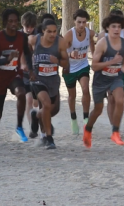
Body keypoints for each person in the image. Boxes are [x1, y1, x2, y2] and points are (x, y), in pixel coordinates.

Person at [84, 14, 124, 148]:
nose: (116, 29)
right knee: (98, 109)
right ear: (107, 28)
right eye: (113, 26)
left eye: (119, 27)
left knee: (120, 100)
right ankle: (88, 129)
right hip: (100, 80)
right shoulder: (102, 43)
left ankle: (115, 132)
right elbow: (94, 66)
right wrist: (113, 61)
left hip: (116, 78)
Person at [0, 9, 33, 154]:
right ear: (5, 22)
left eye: (15, 21)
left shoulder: (22, 37)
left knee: (21, 92)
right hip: (0, 76)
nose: (13, 24)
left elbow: (28, 54)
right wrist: (5, 60)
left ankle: (19, 126)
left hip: (14, 74)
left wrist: (31, 70)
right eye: (10, 21)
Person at [28, 19, 69, 149]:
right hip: (38, 80)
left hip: (53, 80)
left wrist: (57, 61)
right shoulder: (34, 40)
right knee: (45, 104)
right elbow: (25, 50)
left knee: (53, 110)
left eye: (54, 32)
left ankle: (36, 116)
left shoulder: (60, 42)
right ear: (42, 31)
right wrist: (28, 67)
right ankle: (49, 138)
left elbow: (66, 64)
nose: (52, 34)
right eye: (49, 32)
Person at [63, 9, 95, 135]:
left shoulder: (90, 33)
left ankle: (86, 120)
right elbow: (60, 51)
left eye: (84, 22)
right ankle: (73, 119)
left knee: (86, 89)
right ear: (74, 22)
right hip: (70, 68)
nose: (82, 25)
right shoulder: (69, 35)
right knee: (72, 95)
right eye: (79, 22)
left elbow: (92, 43)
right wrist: (70, 53)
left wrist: (94, 55)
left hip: (83, 65)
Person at [21, 11, 38, 131]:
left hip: (37, 72)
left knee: (37, 101)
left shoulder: (38, 35)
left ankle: (38, 118)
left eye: (32, 27)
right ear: (22, 24)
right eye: (27, 27)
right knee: (29, 99)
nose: (29, 29)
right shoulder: (17, 36)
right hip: (23, 73)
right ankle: (32, 125)